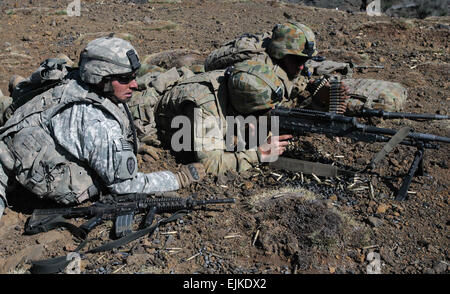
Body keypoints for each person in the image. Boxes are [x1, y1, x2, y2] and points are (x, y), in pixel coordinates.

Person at [0, 36, 205, 221]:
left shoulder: (76, 80)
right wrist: (178, 178)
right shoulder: (96, 122)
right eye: (124, 78)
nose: (134, 84)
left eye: (134, 75)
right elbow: (124, 186)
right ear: (101, 78)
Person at [154, 22, 351, 176]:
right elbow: (210, 164)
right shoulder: (206, 109)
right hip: (158, 125)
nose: (301, 67)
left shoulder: (252, 79)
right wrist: (259, 153)